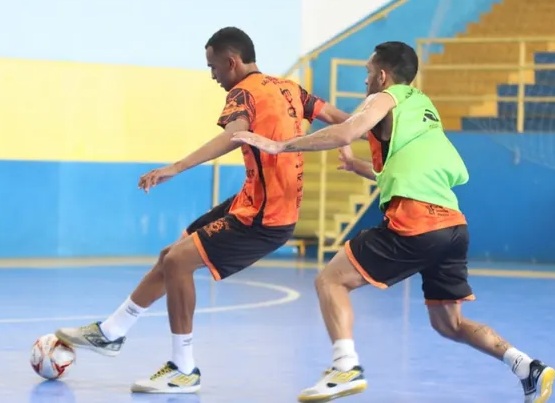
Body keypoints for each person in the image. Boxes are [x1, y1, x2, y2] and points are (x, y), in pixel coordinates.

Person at [232, 41, 555, 403]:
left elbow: (344, 132)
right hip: (452, 227)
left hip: (415, 223)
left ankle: (344, 368)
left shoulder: (385, 98)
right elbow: (408, 172)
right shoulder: (423, 107)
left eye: (368, 73)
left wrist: (279, 146)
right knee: (450, 325)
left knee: (330, 281)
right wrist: (361, 168)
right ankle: (526, 367)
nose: (366, 80)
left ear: (382, 75)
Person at [54, 26, 354, 394]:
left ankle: (184, 369)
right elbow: (342, 118)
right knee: (170, 256)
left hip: (264, 218)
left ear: (232, 61)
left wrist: (175, 167)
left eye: (213, 67)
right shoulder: (289, 87)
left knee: (179, 262)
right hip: (251, 201)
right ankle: (111, 333)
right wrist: (350, 144)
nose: (213, 76)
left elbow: (234, 134)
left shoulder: (243, 92)